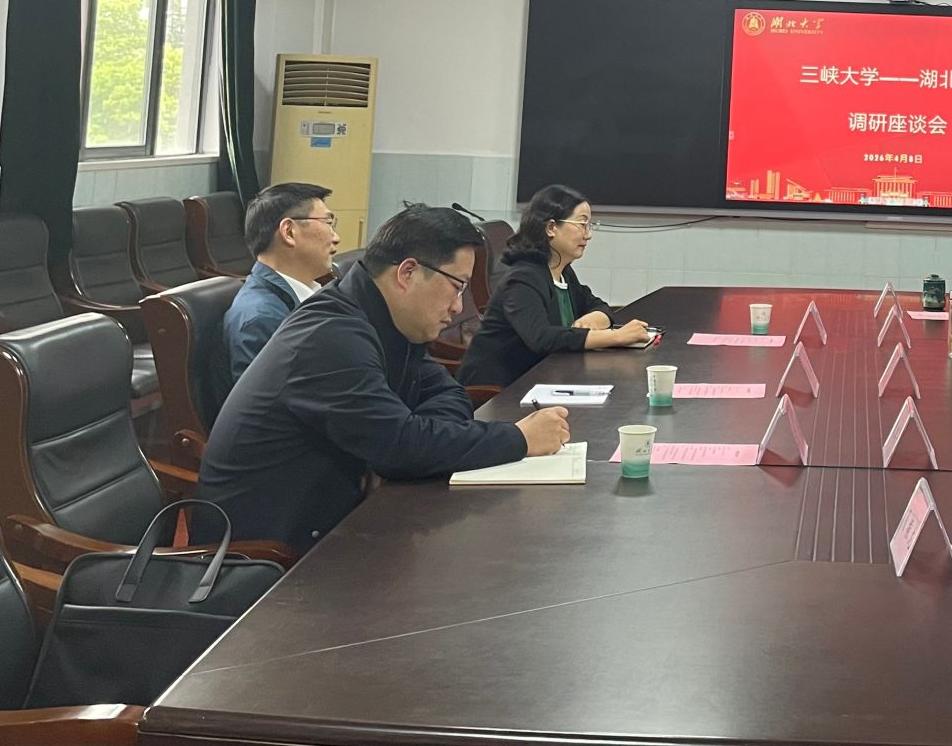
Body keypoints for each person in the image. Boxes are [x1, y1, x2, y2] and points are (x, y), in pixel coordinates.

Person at [199, 204, 571, 549]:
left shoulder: (387, 320)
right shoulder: (331, 336)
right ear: (408, 273)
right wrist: (518, 439)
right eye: (457, 286)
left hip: (340, 521)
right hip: (267, 555)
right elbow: (401, 448)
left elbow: (448, 397)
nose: (459, 306)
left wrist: (415, 438)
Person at [458, 185, 650, 390]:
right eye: (582, 224)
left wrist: (594, 318)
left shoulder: (562, 271)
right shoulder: (523, 278)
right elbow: (542, 338)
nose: (588, 235)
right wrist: (616, 337)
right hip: (497, 391)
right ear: (551, 228)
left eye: (589, 225)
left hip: (543, 379)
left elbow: (599, 305)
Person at [223, 181, 340, 382]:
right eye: (328, 223)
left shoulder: (317, 293)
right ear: (289, 232)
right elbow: (273, 399)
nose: (336, 237)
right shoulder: (261, 318)